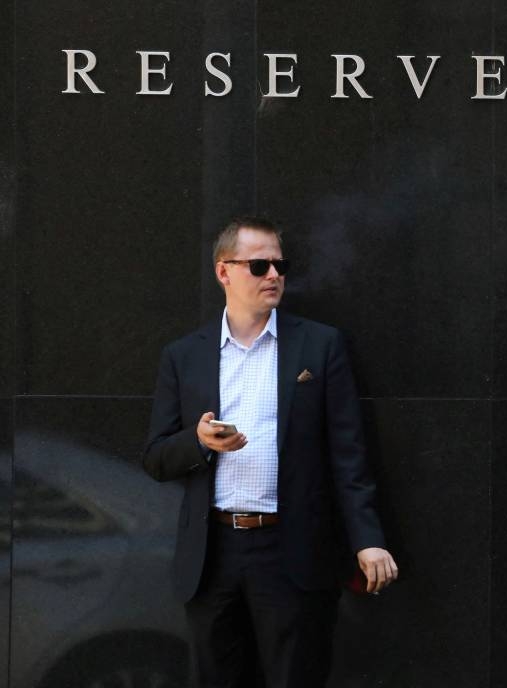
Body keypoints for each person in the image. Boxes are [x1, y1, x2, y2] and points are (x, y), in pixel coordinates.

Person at [143, 216, 398, 688]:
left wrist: (368, 537)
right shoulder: (184, 356)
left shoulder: (320, 346)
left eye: (280, 265)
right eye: (259, 266)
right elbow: (156, 457)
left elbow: (349, 453)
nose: (274, 275)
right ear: (224, 272)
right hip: (211, 554)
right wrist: (198, 441)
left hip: (291, 550)